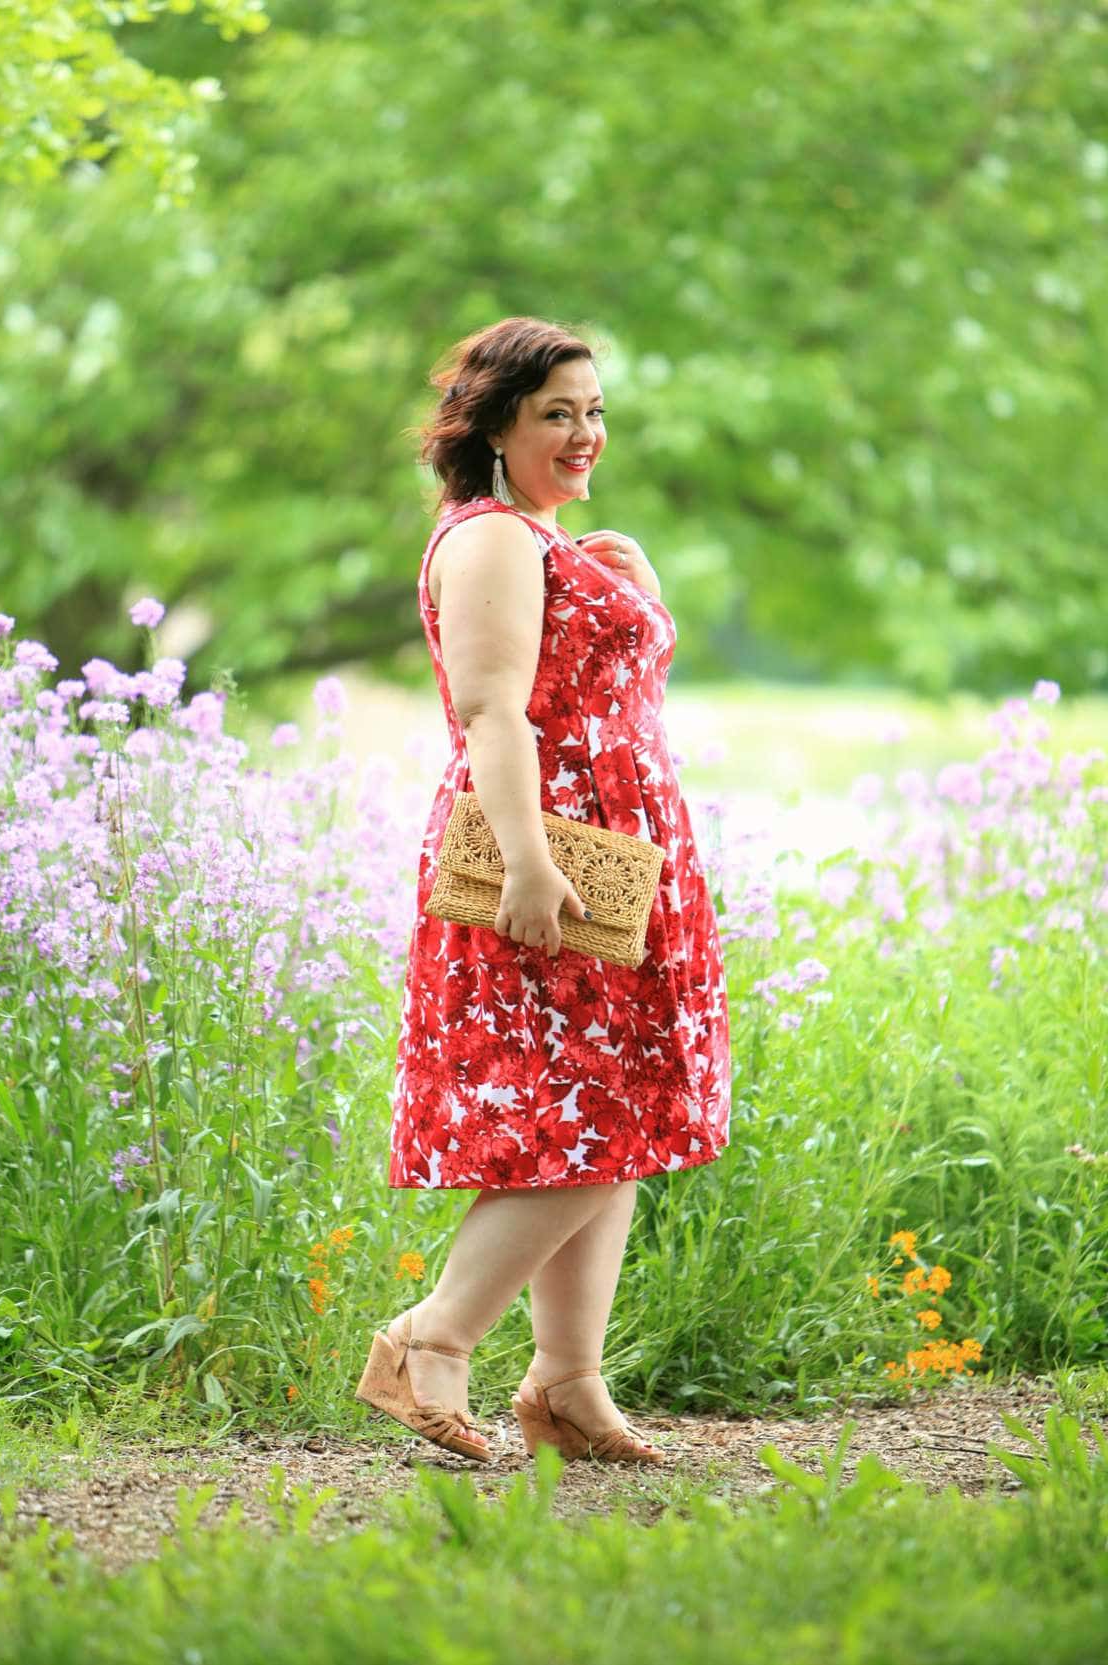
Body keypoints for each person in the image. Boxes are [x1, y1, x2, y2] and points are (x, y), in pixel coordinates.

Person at [355, 316, 731, 1464]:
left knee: (618, 1116)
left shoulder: (545, 541)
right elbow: (491, 712)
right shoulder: (489, 542)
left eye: (594, 411)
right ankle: (432, 1339)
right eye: (556, 413)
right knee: (597, 1114)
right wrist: (526, 861)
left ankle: (567, 1384)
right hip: (551, 858)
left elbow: (609, 698)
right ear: (496, 428)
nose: (585, 434)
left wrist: (640, 594)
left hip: (617, 861)